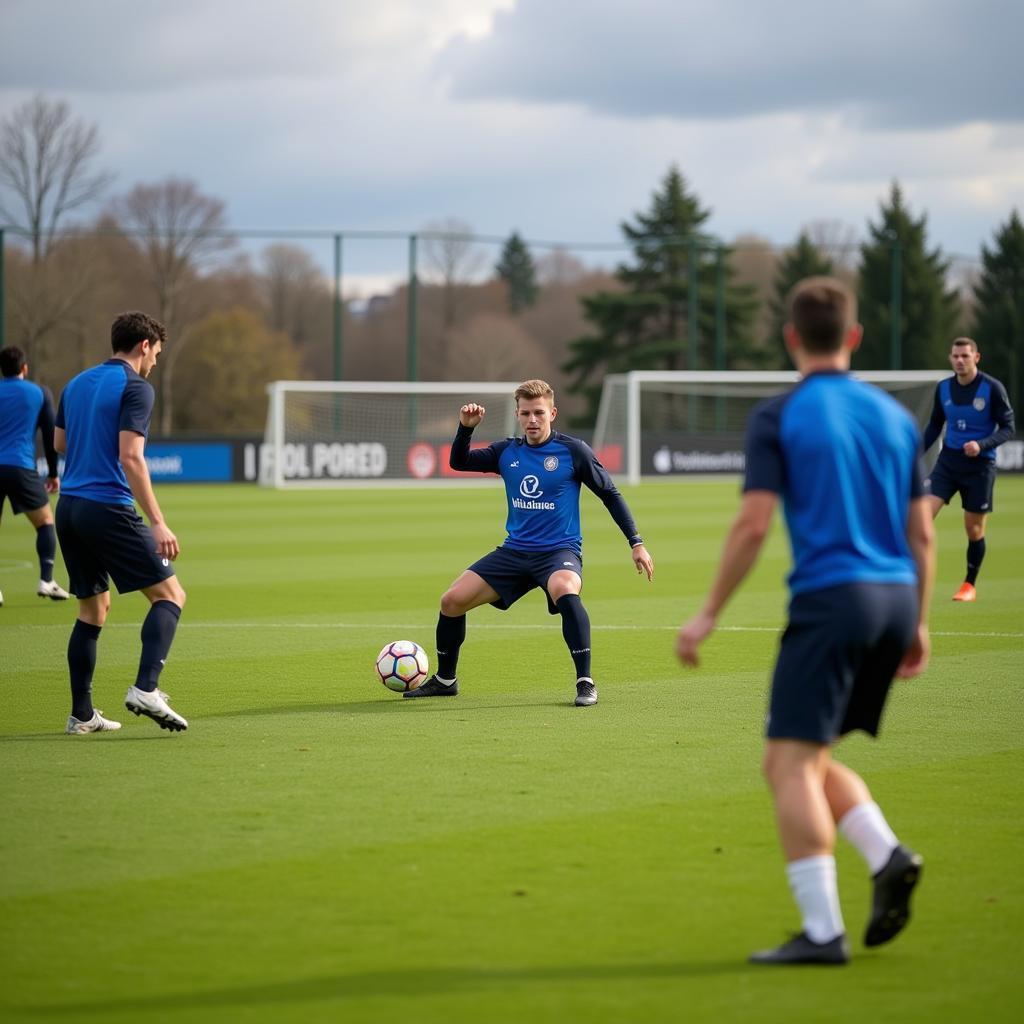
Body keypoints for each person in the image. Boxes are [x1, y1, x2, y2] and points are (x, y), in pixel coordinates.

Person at [676, 277, 934, 966]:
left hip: (832, 600)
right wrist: (919, 620)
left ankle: (823, 933)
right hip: (895, 598)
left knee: (784, 764)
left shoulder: (778, 415)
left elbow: (754, 523)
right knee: (810, 756)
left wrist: (706, 614)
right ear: (853, 337)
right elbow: (924, 536)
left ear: (791, 338)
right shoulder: (894, 418)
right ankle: (887, 856)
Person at [406, 378, 654, 707]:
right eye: (525, 413)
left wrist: (635, 541)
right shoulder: (506, 452)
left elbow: (610, 494)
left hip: (558, 553)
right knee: (451, 601)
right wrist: (465, 428)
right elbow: (459, 462)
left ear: (552, 413)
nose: (532, 420)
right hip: (514, 552)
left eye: (539, 412)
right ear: (518, 415)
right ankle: (446, 680)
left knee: (565, 588)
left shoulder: (573, 451)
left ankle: (585, 681)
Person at [54, 311, 188, 735]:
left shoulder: (77, 383)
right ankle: (146, 688)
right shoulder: (136, 387)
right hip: (106, 506)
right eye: (157, 353)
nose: (155, 362)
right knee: (170, 594)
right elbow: (131, 456)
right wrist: (158, 522)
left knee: (94, 607)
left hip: (69, 507)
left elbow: (59, 443)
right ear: (144, 345)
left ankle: (82, 715)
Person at [922, 337, 1015, 602]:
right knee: (921, 516)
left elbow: (1008, 428)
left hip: (980, 467)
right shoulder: (943, 389)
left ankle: (969, 585)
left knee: (974, 530)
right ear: (951, 358)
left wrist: (982, 444)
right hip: (948, 463)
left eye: (965, 355)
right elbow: (933, 427)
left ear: (976, 357)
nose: (959, 360)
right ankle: (907, 578)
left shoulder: (992, 389)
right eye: (955, 356)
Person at [0, 346, 70, 606]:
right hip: (20, 466)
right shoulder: (39, 393)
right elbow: (51, 434)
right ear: (24, 368)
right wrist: (53, 473)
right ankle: (46, 580)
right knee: (44, 521)